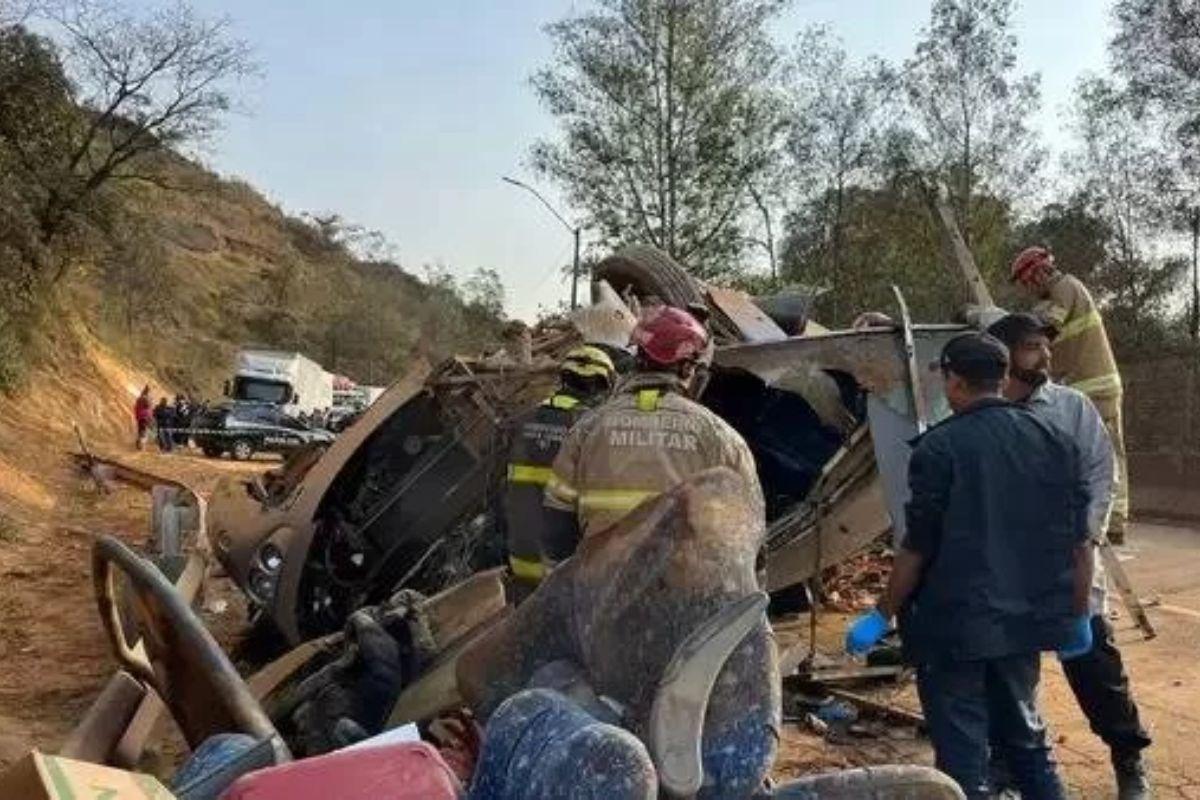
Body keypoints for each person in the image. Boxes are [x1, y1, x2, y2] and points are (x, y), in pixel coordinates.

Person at [845, 332, 1093, 800]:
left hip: (953, 628)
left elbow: (917, 548)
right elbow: (1080, 544)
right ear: (1003, 377)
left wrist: (881, 614)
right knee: (1027, 740)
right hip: (1024, 626)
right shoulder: (1056, 440)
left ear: (954, 382)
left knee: (962, 755)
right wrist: (1079, 614)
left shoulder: (939, 448)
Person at [987, 313, 1151, 799]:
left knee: (1096, 671)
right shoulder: (982, 413)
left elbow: (1102, 474)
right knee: (1009, 678)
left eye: (1046, 345)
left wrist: (1085, 538)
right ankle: (1011, 770)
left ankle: (1129, 758)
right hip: (1006, 572)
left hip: (1069, 566)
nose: (1046, 355)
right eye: (1033, 346)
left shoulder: (1071, 408)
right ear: (1004, 355)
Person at [543, 304, 762, 552]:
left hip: (603, 576)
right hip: (683, 576)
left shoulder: (587, 428)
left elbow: (557, 525)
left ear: (638, 358)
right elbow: (748, 531)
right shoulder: (721, 436)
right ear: (687, 367)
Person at [1011, 246, 1129, 545]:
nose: (1028, 288)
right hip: (1085, 387)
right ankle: (1105, 519)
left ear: (1038, 273)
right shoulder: (1054, 297)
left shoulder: (1065, 286)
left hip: (1096, 387)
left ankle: (1113, 524)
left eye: (1027, 281)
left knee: (1104, 455)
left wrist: (997, 322)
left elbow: (1045, 329)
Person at [502, 345, 615, 601]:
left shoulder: (521, 420)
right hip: (562, 571)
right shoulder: (592, 427)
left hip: (519, 561)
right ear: (601, 386)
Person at [134, 386, 153, 450]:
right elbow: (148, 406)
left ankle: (139, 443)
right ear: (148, 392)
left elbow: (136, 408)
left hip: (140, 417)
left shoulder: (139, 398)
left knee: (140, 430)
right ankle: (141, 445)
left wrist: (137, 416)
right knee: (144, 431)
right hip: (145, 416)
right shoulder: (147, 399)